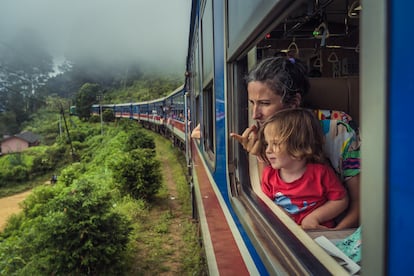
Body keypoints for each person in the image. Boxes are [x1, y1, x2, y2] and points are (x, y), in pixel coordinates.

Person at [230, 56, 360, 229]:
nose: (255, 114)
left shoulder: (340, 129)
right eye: (252, 103)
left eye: (265, 103)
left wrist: (335, 236)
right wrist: (260, 157)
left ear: (294, 102)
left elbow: (360, 202)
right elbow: (271, 196)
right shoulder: (263, 136)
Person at [257, 108, 348, 229]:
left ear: (299, 144)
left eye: (275, 144)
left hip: (318, 233)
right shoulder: (269, 175)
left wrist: (315, 217)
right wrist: (280, 215)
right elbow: (264, 204)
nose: (268, 150)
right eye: (267, 144)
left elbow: (340, 200)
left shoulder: (321, 173)